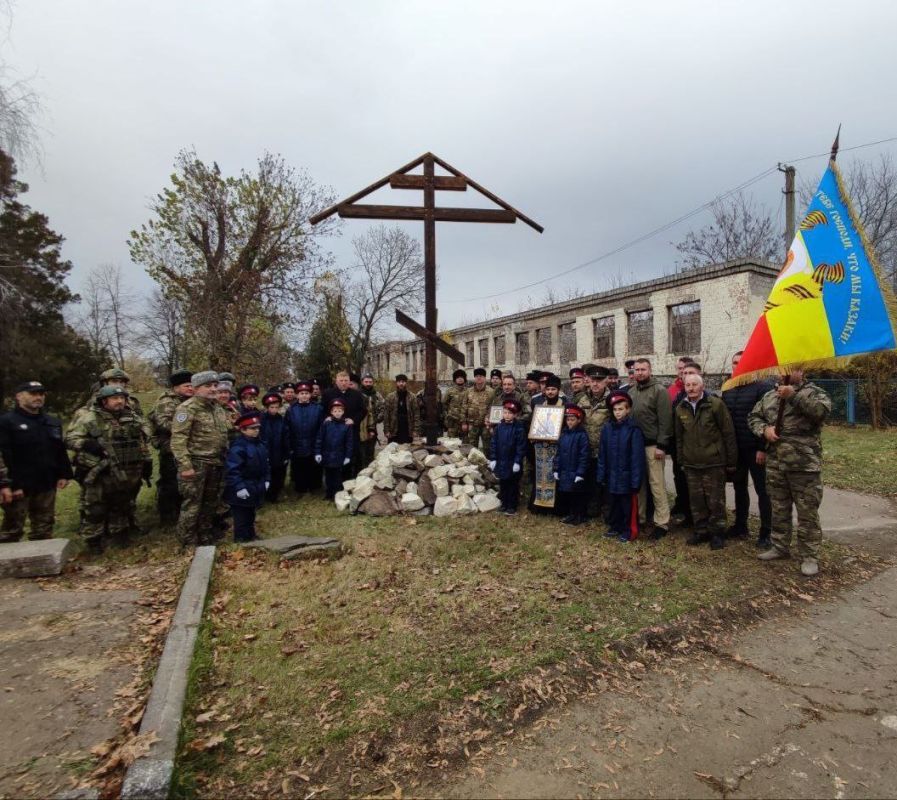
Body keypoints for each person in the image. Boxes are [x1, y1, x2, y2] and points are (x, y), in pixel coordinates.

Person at [750, 368, 831, 577]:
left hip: (804, 465)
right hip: (776, 463)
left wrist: (793, 396)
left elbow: (820, 412)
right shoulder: (769, 396)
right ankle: (779, 546)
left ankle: (809, 556)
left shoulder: (813, 392)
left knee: (807, 512)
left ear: (801, 372)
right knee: (779, 507)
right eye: (781, 367)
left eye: (791, 368)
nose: (784, 372)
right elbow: (754, 417)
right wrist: (764, 430)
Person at [66, 385, 151, 552]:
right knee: (95, 507)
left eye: (122, 398)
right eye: (115, 398)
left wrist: (146, 460)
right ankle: (93, 540)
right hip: (99, 470)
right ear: (104, 401)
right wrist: (88, 444)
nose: (119, 401)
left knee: (122, 503)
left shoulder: (132, 417)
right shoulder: (90, 418)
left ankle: (119, 534)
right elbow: (70, 438)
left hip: (126, 469)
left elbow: (142, 440)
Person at [0, 381, 73, 542]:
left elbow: (59, 449)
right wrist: (5, 484)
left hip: (46, 483)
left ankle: (43, 564)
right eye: (33, 394)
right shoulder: (6, 422)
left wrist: (64, 474)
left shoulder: (51, 422)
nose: (38, 397)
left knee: (43, 529)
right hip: (17, 485)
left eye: (41, 394)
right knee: (11, 531)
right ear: (19, 396)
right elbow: (2, 455)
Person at [674, 374, 737, 550]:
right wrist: (681, 460)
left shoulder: (715, 404)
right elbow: (679, 437)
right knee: (697, 501)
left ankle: (717, 533)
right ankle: (701, 531)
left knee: (715, 501)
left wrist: (731, 461)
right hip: (691, 464)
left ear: (702, 386)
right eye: (688, 385)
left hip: (713, 463)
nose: (691, 388)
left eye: (695, 384)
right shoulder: (681, 408)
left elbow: (728, 433)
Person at [170, 371, 232, 547]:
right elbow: (178, 440)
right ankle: (187, 542)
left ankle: (205, 535)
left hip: (216, 463)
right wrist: (185, 466)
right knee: (192, 505)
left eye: (215, 385)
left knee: (210, 503)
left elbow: (224, 432)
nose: (213, 389)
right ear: (196, 388)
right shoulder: (186, 409)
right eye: (208, 386)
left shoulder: (218, 408)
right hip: (196, 464)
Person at [722, 351, 774, 548]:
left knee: (763, 491)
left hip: (756, 449)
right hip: (736, 449)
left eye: (741, 362)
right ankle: (740, 525)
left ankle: (766, 532)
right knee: (739, 487)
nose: (737, 366)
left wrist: (763, 448)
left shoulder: (763, 387)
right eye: (734, 363)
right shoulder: (728, 387)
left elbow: (768, 419)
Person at [629, 358, 673, 539]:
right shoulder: (631, 392)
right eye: (637, 370)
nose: (639, 373)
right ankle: (639, 518)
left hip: (653, 446)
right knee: (639, 485)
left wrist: (662, 445)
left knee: (657, 484)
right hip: (636, 445)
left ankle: (662, 522)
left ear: (650, 370)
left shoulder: (659, 391)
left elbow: (665, 420)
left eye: (643, 369)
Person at [596, 392, 645, 542]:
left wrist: (636, 481)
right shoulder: (607, 429)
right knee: (613, 503)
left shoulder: (633, 430)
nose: (618, 412)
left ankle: (628, 530)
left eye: (621, 409)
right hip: (612, 475)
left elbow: (637, 458)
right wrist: (601, 474)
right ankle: (615, 526)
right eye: (615, 409)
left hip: (627, 476)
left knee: (627, 505)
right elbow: (602, 453)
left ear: (628, 410)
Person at [148, 370, 194, 525]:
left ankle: (181, 512)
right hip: (170, 449)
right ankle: (167, 516)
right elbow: (164, 424)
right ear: (176, 387)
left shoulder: (188, 400)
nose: (190, 388)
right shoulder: (167, 402)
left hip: (186, 447)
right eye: (187, 386)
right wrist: (190, 427)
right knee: (170, 483)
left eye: (192, 385)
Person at [224, 411, 270, 543]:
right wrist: (239, 487)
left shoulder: (260, 444)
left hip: (255, 485)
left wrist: (267, 479)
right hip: (242, 486)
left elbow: (266, 464)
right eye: (253, 428)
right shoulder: (238, 447)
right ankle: (241, 539)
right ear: (243, 430)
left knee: (251, 513)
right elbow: (233, 469)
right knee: (241, 517)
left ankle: (251, 535)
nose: (256, 431)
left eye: (258, 428)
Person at [321, 371, 367, 477]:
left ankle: (351, 480)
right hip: (333, 432)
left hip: (351, 430)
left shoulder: (357, 394)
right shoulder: (328, 394)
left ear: (349, 381)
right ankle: (334, 480)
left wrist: (354, 420)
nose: (343, 383)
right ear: (336, 381)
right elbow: (322, 410)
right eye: (341, 381)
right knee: (334, 455)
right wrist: (326, 417)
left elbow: (363, 411)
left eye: (346, 381)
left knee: (352, 456)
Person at [529, 373, 564, 512]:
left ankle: (555, 508)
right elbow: (534, 424)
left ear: (558, 390)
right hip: (541, 447)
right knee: (541, 475)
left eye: (553, 389)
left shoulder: (564, 406)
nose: (550, 392)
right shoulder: (539, 406)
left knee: (554, 475)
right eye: (548, 389)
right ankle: (539, 505)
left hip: (557, 446)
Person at [580, 366, 611, 518]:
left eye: (599, 380)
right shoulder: (583, 399)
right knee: (590, 479)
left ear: (606, 381)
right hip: (587, 449)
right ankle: (591, 508)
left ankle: (606, 509)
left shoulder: (612, 399)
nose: (595, 384)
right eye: (593, 380)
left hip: (604, 450)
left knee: (604, 481)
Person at [553, 405, 591, 525]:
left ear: (579, 420)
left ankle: (579, 515)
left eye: (572, 419)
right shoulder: (564, 434)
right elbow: (558, 453)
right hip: (565, 470)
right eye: (568, 419)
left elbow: (584, 456)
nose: (569, 422)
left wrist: (580, 472)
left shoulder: (582, 435)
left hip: (576, 470)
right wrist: (556, 469)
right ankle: (571, 514)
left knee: (578, 495)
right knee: (568, 493)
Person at [488, 399, 527, 515]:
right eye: (505, 412)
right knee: (503, 483)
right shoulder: (499, 427)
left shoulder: (519, 428)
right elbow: (494, 443)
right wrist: (493, 458)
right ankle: (504, 504)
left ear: (515, 414)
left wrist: (517, 461)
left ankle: (512, 506)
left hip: (512, 461)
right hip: (501, 460)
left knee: (512, 484)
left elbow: (521, 446)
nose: (507, 415)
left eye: (510, 413)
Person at [668, 357, 695, 526]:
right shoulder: (674, 392)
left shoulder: (707, 397)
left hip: (697, 449)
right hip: (678, 446)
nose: (682, 373)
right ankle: (684, 510)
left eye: (686, 370)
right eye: (680, 370)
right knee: (680, 479)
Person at [286, 381, 323, 495]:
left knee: (313, 466)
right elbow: (288, 428)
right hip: (297, 443)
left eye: (307, 393)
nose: (304, 396)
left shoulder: (318, 408)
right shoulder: (291, 409)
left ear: (310, 394)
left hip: (313, 442)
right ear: (297, 395)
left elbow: (321, 427)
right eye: (301, 393)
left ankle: (314, 487)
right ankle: (300, 488)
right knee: (299, 467)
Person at [315, 398, 353, 500]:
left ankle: (336, 494)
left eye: (339, 411)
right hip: (327, 454)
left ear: (343, 412)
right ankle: (328, 493)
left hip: (339, 455)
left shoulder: (346, 425)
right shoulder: (326, 424)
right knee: (328, 475)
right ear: (331, 412)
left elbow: (349, 442)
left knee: (337, 476)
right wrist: (318, 452)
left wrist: (348, 456)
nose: (337, 413)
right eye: (335, 411)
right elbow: (320, 438)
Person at [259, 392, 289, 502]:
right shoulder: (261, 419)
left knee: (279, 474)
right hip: (266, 451)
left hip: (279, 452)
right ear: (266, 407)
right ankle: (264, 495)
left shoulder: (281, 419)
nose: (274, 410)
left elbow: (285, 436)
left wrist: (286, 453)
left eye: (276, 407)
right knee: (265, 474)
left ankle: (275, 494)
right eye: (272, 407)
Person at [462, 367, 494, 450]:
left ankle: (488, 462)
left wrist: (491, 423)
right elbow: (464, 407)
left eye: (481, 376)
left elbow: (492, 407)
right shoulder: (468, 391)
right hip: (472, 425)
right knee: (472, 448)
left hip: (486, 425)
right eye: (477, 376)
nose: (479, 378)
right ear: (474, 378)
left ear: (484, 378)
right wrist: (464, 422)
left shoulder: (491, 391)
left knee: (488, 448)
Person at [384, 374, 419, 444]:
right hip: (393, 429)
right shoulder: (390, 397)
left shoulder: (412, 397)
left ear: (406, 383)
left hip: (407, 428)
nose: (401, 384)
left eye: (403, 382)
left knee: (406, 450)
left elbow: (416, 414)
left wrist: (416, 430)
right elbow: (386, 415)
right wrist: (386, 430)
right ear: (396, 383)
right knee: (393, 451)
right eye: (399, 382)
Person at [359, 374, 384, 468]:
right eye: (366, 382)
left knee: (371, 451)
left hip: (373, 427)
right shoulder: (358, 394)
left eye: (370, 382)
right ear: (362, 382)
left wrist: (377, 419)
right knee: (361, 453)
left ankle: (370, 473)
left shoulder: (377, 395)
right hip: (360, 428)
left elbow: (383, 408)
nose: (368, 384)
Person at [443, 369, 468, 439]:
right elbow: (444, 404)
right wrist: (447, 415)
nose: (460, 379)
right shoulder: (450, 391)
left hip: (464, 422)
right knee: (451, 443)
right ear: (455, 379)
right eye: (458, 377)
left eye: (461, 377)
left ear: (464, 379)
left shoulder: (468, 391)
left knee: (464, 443)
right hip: (452, 422)